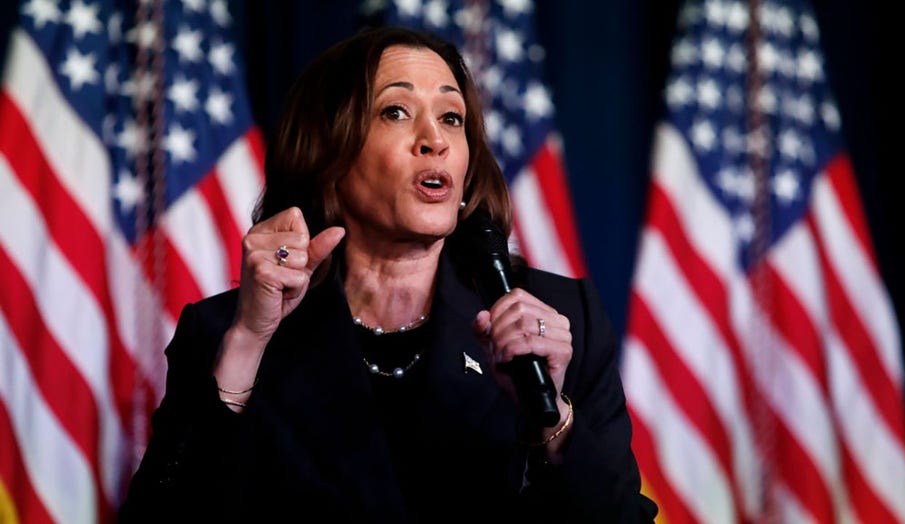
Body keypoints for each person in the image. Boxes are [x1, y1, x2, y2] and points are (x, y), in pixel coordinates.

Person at [119, 25, 658, 523]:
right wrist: (247, 344)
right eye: (396, 112)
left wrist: (553, 421)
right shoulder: (227, 332)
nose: (436, 140)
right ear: (328, 152)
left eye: (452, 117)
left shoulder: (562, 323)